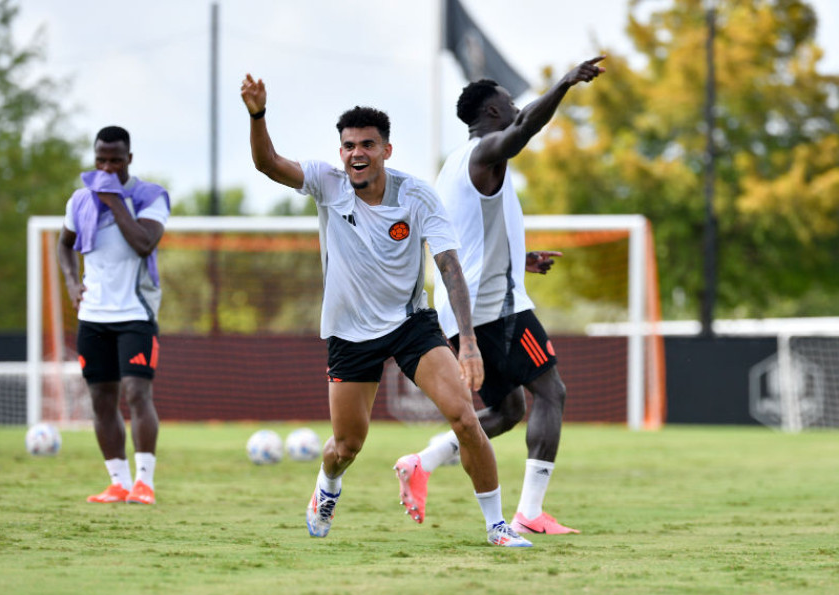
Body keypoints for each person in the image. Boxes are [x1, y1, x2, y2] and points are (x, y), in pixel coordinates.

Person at [240, 73, 529, 547]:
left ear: (386, 151)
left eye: (368, 145)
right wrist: (257, 114)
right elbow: (268, 163)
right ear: (341, 153)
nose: (357, 153)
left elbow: (449, 265)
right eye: (349, 145)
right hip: (349, 332)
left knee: (465, 416)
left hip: (411, 325)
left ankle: (498, 526)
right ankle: (326, 488)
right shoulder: (326, 183)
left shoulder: (416, 196)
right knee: (346, 447)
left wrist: (470, 343)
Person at [394, 56, 606, 535]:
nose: (515, 109)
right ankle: (530, 513)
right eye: (508, 104)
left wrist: (520, 258)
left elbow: (468, 235)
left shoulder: (455, 165)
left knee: (509, 410)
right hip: (495, 307)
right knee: (552, 392)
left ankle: (422, 462)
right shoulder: (487, 151)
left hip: (468, 305)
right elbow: (525, 127)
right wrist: (565, 83)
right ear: (491, 113)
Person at [57, 126, 170, 506]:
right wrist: (73, 281)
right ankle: (118, 482)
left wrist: (115, 199)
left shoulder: (150, 196)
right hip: (93, 316)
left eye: (115, 160)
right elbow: (64, 244)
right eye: (100, 159)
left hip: (135, 313)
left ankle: (145, 483)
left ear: (129, 160)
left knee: (137, 393)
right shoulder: (79, 201)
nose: (106, 167)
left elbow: (143, 244)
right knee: (101, 400)